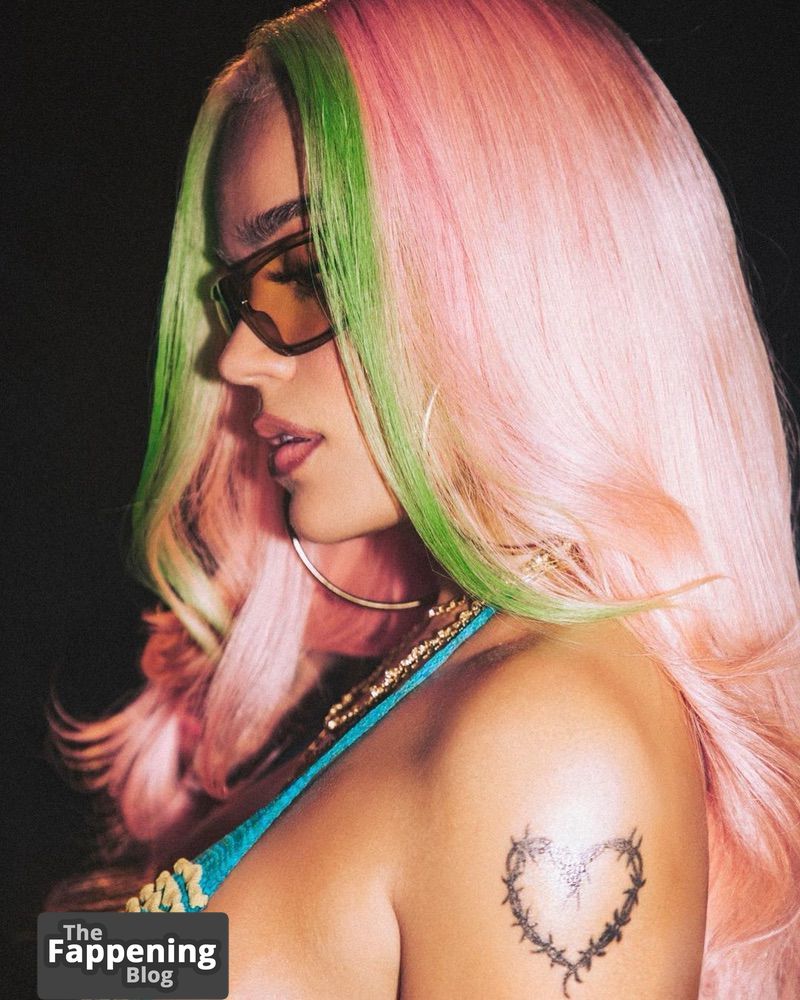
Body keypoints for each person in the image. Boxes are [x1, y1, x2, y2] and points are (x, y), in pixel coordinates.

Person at [50, 0, 800, 996]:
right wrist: (63, 955)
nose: (234, 359)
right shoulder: (443, 661)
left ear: (517, 268)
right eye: (239, 293)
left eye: (305, 271)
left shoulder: (552, 733)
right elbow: (251, 962)